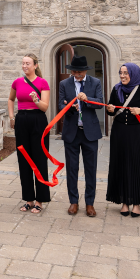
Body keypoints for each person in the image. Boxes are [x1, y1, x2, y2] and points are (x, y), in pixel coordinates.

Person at [106, 62, 140, 217]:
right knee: (122, 164)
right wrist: (110, 109)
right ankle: (124, 202)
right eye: (121, 73)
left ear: (133, 74)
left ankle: (136, 203)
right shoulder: (116, 89)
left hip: (138, 134)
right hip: (120, 132)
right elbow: (112, 110)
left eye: (126, 73)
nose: (122, 76)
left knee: (137, 165)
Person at [57, 55, 105, 217]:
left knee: (90, 169)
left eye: (80, 72)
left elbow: (100, 102)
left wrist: (87, 100)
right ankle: (74, 202)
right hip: (72, 132)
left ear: (86, 70)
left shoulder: (95, 83)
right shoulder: (64, 84)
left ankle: (90, 203)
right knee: (72, 169)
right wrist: (70, 107)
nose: (77, 74)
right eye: (75, 72)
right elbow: (60, 104)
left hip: (90, 133)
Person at [8, 53, 51, 214]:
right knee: (23, 160)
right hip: (22, 121)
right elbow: (11, 99)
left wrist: (36, 100)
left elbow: (45, 107)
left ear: (35, 65)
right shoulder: (17, 82)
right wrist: (12, 116)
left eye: (28, 63)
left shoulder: (42, 83)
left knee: (39, 160)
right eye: (23, 63)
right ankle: (29, 200)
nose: (25, 66)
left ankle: (40, 200)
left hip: (38, 121)